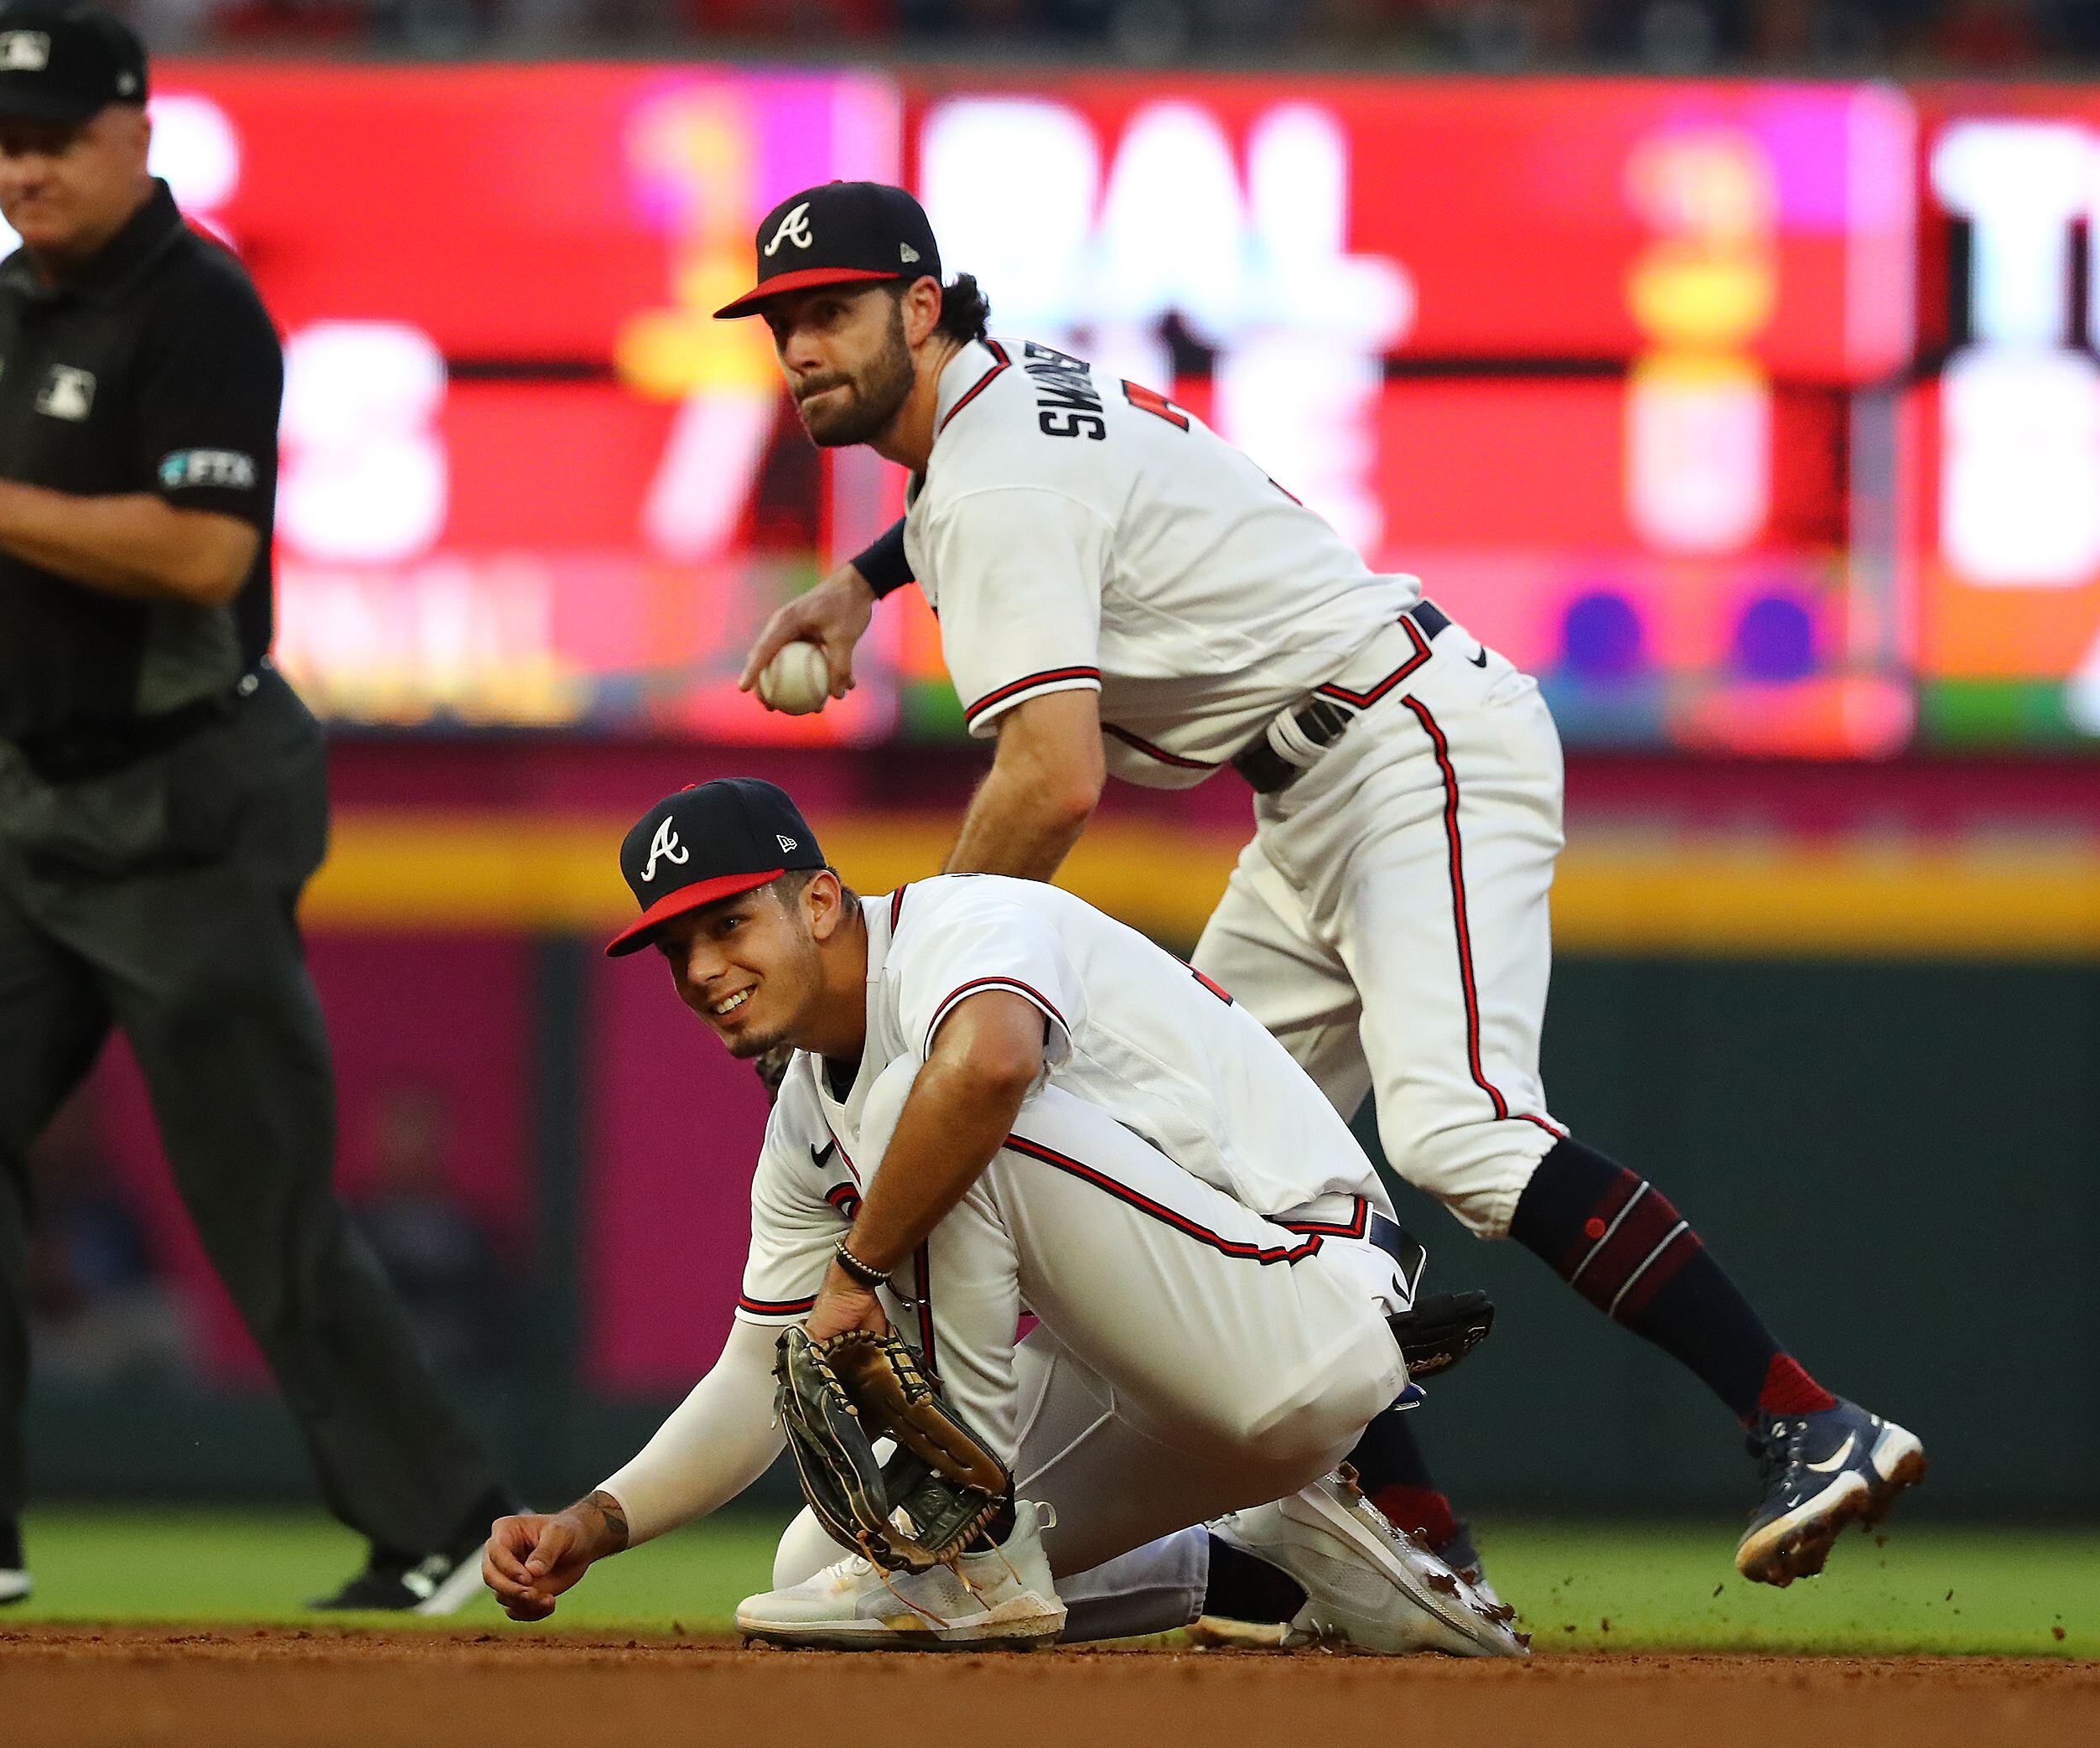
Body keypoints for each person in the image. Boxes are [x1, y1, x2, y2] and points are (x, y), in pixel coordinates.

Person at [728, 180, 1922, 1598]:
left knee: (1459, 1125)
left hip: (1409, 740)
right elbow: (968, 501)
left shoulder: (992, 486)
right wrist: (866, 582)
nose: (803, 345)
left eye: (836, 312)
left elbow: (1050, 779)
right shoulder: (997, 399)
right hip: (1320, 781)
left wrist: (917, 969)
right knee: (1201, 1149)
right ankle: (1422, 1548)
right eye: (786, 319)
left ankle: (1805, 1415)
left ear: (920, 309)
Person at [0, 3, 511, 1614]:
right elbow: (70, 504)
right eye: (4, 140)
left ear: (135, 132)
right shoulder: (30, 297)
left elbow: (199, 553)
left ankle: (441, 1517)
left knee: (259, 1197)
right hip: (34, 805)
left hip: (185, 800)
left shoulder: (203, 304)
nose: (23, 167)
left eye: (53, 137)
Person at [481, 776, 1524, 1653]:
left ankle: (978, 1552)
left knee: (928, 1101)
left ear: (819, 902)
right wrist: (592, 1521)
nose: (703, 968)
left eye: (727, 923)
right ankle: (1290, 1566)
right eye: (674, 947)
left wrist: (856, 1272)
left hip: (1304, 1293)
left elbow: (990, 1065)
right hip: (1158, 1367)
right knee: (818, 1565)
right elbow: (759, 1368)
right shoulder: (804, 1110)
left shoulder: (962, 922)